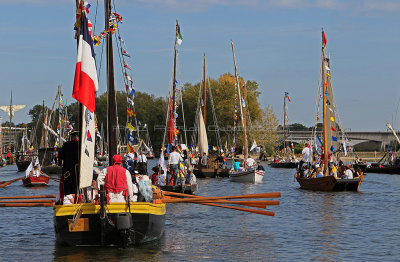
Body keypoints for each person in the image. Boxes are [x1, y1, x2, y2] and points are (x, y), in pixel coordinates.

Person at [58, 131, 80, 202]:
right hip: (78, 169)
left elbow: (60, 156)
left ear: (72, 137)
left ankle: (69, 198)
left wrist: (59, 164)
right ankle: (77, 198)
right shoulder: (81, 145)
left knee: (67, 185)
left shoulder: (66, 145)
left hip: (67, 170)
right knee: (77, 185)